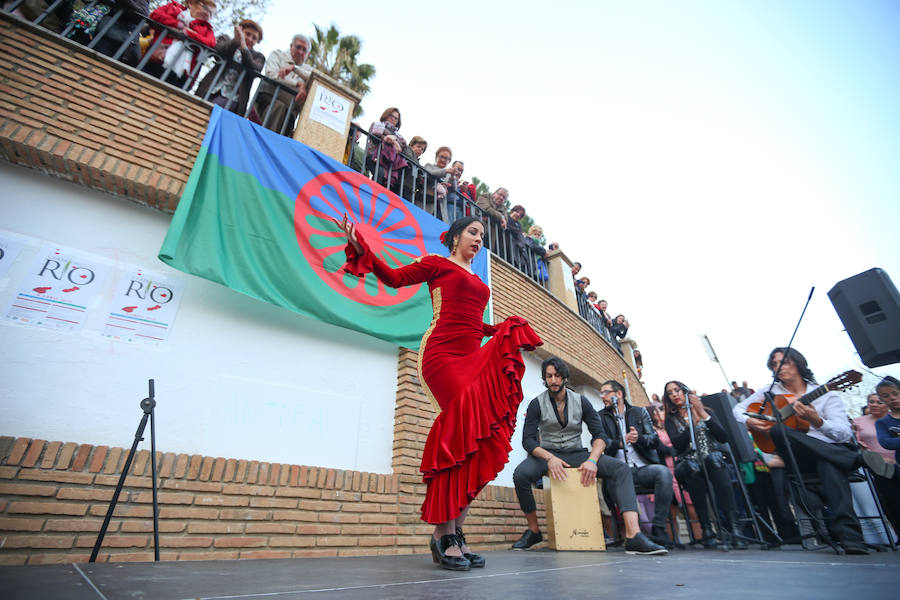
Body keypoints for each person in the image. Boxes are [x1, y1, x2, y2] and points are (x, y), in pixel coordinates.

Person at [339, 215, 542, 571]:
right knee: (459, 435)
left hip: (469, 356)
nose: (479, 239)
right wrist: (363, 249)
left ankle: (454, 532)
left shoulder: (478, 280)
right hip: (441, 356)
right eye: (473, 232)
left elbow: (473, 323)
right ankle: (442, 534)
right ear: (454, 237)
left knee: (478, 442)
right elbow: (396, 278)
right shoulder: (437, 264)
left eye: (482, 235)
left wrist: (502, 329)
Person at [511, 357, 667, 555]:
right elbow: (528, 440)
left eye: (557, 376)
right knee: (520, 475)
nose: (553, 380)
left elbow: (599, 435)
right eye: (549, 376)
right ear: (544, 379)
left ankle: (633, 535)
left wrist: (593, 460)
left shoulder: (581, 401)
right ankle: (533, 531)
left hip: (576, 453)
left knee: (621, 469)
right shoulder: (536, 403)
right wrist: (549, 458)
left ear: (565, 378)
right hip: (547, 454)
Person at [733, 348, 868, 554]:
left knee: (828, 461)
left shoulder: (828, 394)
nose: (779, 367)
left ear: (799, 363)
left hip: (825, 453)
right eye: (775, 364)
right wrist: (750, 419)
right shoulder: (770, 391)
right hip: (795, 457)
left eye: (784, 362)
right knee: (778, 429)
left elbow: (842, 434)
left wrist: (817, 421)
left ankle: (850, 537)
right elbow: (737, 409)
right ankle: (850, 458)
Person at [664, 380, 746, 549]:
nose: (674, 394)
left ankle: (734, 527)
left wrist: (702, 413)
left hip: (711, 458)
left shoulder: (706, 412)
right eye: (670, 392)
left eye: (677, 390)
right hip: (688, 462)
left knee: (715, 461)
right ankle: (706, 529)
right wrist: (691, 426)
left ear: (685, 391)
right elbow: (678, 445)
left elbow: (722, 437)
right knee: (692, 469)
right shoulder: (670, 420)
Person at [599, 380, 675, 547]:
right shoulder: (601, 416)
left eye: (605, 392)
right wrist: (621, 442)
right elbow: (599, 442)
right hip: (617, 471)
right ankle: (628, 532)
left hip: (642, 468)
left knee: (663, 473)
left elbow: (654, 440)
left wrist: (638, 438)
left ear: (618, 394)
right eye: (601, 393)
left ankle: (659, 527)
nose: (602, 396)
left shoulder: (639, 413)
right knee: (609, 484)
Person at [195, 20, 265, 117]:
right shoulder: (226, 40)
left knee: (212, 112)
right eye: (247, 34)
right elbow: (219, 51)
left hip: (232, 99)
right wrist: (236, 41)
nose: (250, 39)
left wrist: (244, 48)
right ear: (241, 31)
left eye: (254, 38)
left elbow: (255, 70)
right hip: (210, 89)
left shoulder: (258, 57)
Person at [144, 0, 216, 88]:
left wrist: (187, 33)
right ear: (191, 3)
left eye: (211, 13)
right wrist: (178, 24)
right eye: (205, 8)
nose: (208, 14)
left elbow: (210, 43)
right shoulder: (174, 8)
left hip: (182, 75)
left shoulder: (207, 29)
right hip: (156, 59)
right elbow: (155, 15)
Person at [255, 34, 311, 134]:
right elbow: (271, 74)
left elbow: (316, 82)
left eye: (304, 50)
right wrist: (298, 84)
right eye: (298, 47)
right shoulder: (277, 54)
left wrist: (295, 69)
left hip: (289, 114)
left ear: (308, 54)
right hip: (268, 101)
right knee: (279, 107)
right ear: (291, 46)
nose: (300, 52)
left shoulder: (308, 70)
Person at [873, 376, 900, 535]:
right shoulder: (883, 423)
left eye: (895, 394)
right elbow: (886, 443)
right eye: (886, 396)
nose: (892, 398)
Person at [365, 107, 409, 189]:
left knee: (388, 183)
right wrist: (389, 138)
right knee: (379, 174)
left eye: (396, 118)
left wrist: (394, 139)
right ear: (386, 115)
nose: (393, 119)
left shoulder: (398, 136)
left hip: (389, 163)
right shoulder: (377, 124)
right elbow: (375, 135)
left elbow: (403, 146)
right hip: (374, 156)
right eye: (391, 116)